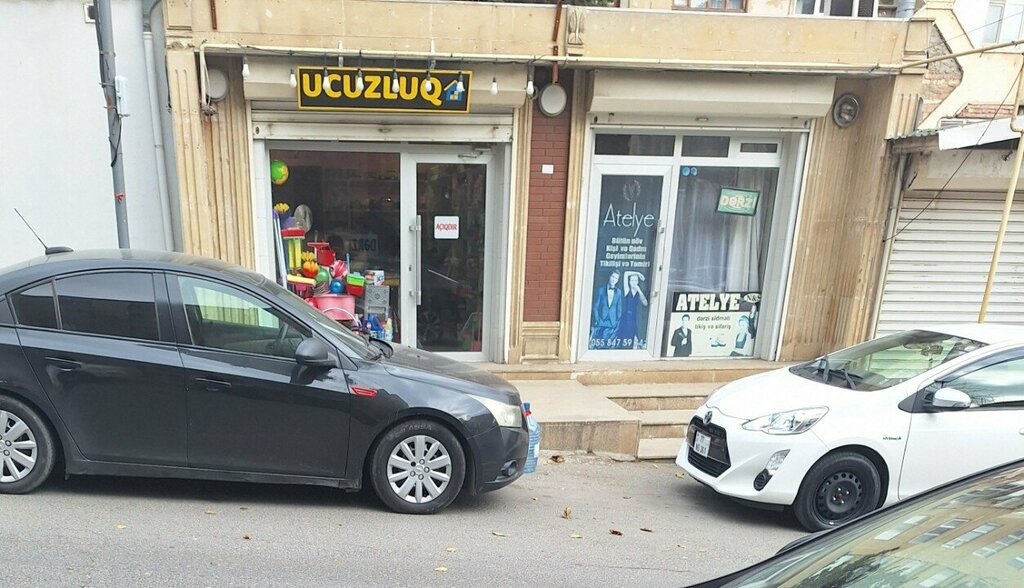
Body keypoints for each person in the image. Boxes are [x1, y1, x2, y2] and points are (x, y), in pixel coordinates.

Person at [590, 270, 623, 349]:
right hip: (601, 321)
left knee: (609, 346)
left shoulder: (619, 292)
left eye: (616, 278)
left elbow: (619, 308)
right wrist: (597, 319)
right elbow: (595, 306)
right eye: (613, 277)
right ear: (609, 277)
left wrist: (617, 321)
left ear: (617, 280)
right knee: (598, 344)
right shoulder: (601, 290)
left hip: (612, 322)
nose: (614, 279)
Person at [617, 272, 649, 349]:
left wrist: (638, 289)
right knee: (624, 337)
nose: (633, 282)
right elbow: (626, 273)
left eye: (635, 280)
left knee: (633, 338)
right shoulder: (627, 290)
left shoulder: (639, 293)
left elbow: (645, 303)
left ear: (637, 282)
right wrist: (638, 273)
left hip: (635, 319)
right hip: (626, 318)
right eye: (632, 280)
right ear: (629, 282)